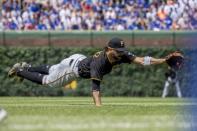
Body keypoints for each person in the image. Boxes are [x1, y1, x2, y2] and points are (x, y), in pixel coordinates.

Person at [8, 37, 167, 106]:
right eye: (117, 50)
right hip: (73, 69)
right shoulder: (100, 63)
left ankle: (27, 66)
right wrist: (99, 107)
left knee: (53, 68)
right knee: (49, 81)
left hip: (78, 58)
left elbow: (141, 60)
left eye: (121, 50)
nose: (120, 52)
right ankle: (21, 71)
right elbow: (95, 90)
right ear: (108, 49)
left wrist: (164, 60)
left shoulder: (121, 55)